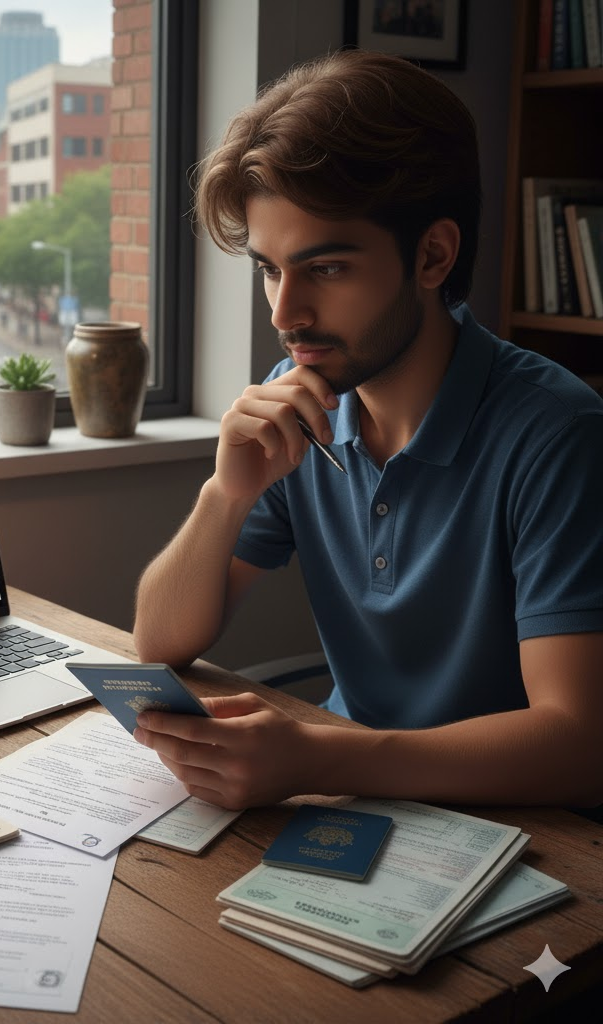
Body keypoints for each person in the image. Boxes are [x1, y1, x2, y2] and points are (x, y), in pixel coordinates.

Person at [131, 49, 603, 812]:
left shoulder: (558, 436)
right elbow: (160, 643)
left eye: (326, 269)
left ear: (433, 255)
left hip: (524, 829)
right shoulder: (300, 406)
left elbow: (578, 743)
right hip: (352, 800)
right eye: (269, 269)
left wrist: (318, 757)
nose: (285, 314)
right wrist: (226, 492)